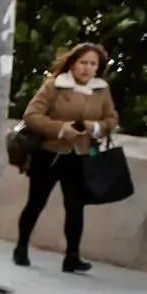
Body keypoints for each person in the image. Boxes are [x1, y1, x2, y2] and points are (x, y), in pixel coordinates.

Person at [15, 42, 118, 274]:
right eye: (83, 63)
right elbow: (31, 115)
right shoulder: (55, 86)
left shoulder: (102, 90)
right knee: (36, 202)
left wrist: (96, 127)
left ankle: (72, 256)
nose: (87, 68)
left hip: (80, 156)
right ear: (73, 63)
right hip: (50, 154)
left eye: (93, 64)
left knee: (75, 207)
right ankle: (21, 247)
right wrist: (61, 129)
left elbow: (112, 119)